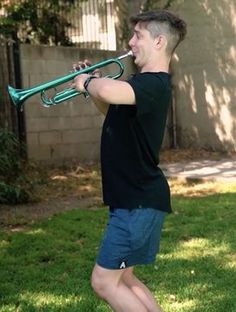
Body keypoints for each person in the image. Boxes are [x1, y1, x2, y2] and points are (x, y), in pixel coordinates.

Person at [73, 9, 187, 312]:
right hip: (134, 198)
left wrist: (87, 83)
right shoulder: (141, 86)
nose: (131, 41)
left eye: (138, 35)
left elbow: (109, 91)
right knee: (123, 279)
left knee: (103, 282)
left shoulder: (153, 84)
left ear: (159, 41)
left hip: (136, 200)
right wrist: (94, 85)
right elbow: (109, 105)